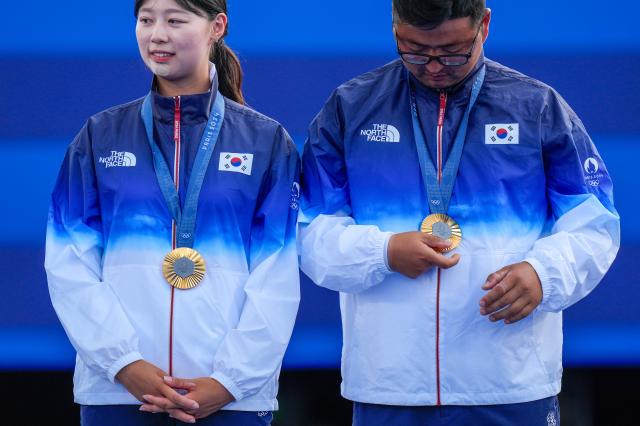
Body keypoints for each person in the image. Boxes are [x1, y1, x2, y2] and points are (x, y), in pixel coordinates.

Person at [299, 0, 620, 424]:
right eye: (413, 50)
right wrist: (383, 251)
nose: (432, 67)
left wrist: (544, 274)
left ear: (484, 25)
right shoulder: (350, 108)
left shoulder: (537, 107)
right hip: (389, 385)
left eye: (452, 53)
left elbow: (595, 225)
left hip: (510, 381)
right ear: (394, 27)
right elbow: (307, 229)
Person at [45, 0, 300, 424]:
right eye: (146, 20)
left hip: (231, 398)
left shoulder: (267, 141)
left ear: (216, 26)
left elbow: (278, 272)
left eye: (175, 20)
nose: (156, 34)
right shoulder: (98, 136)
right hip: (119, 393)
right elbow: (68, 261)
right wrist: (123, 363)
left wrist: (230, 381)